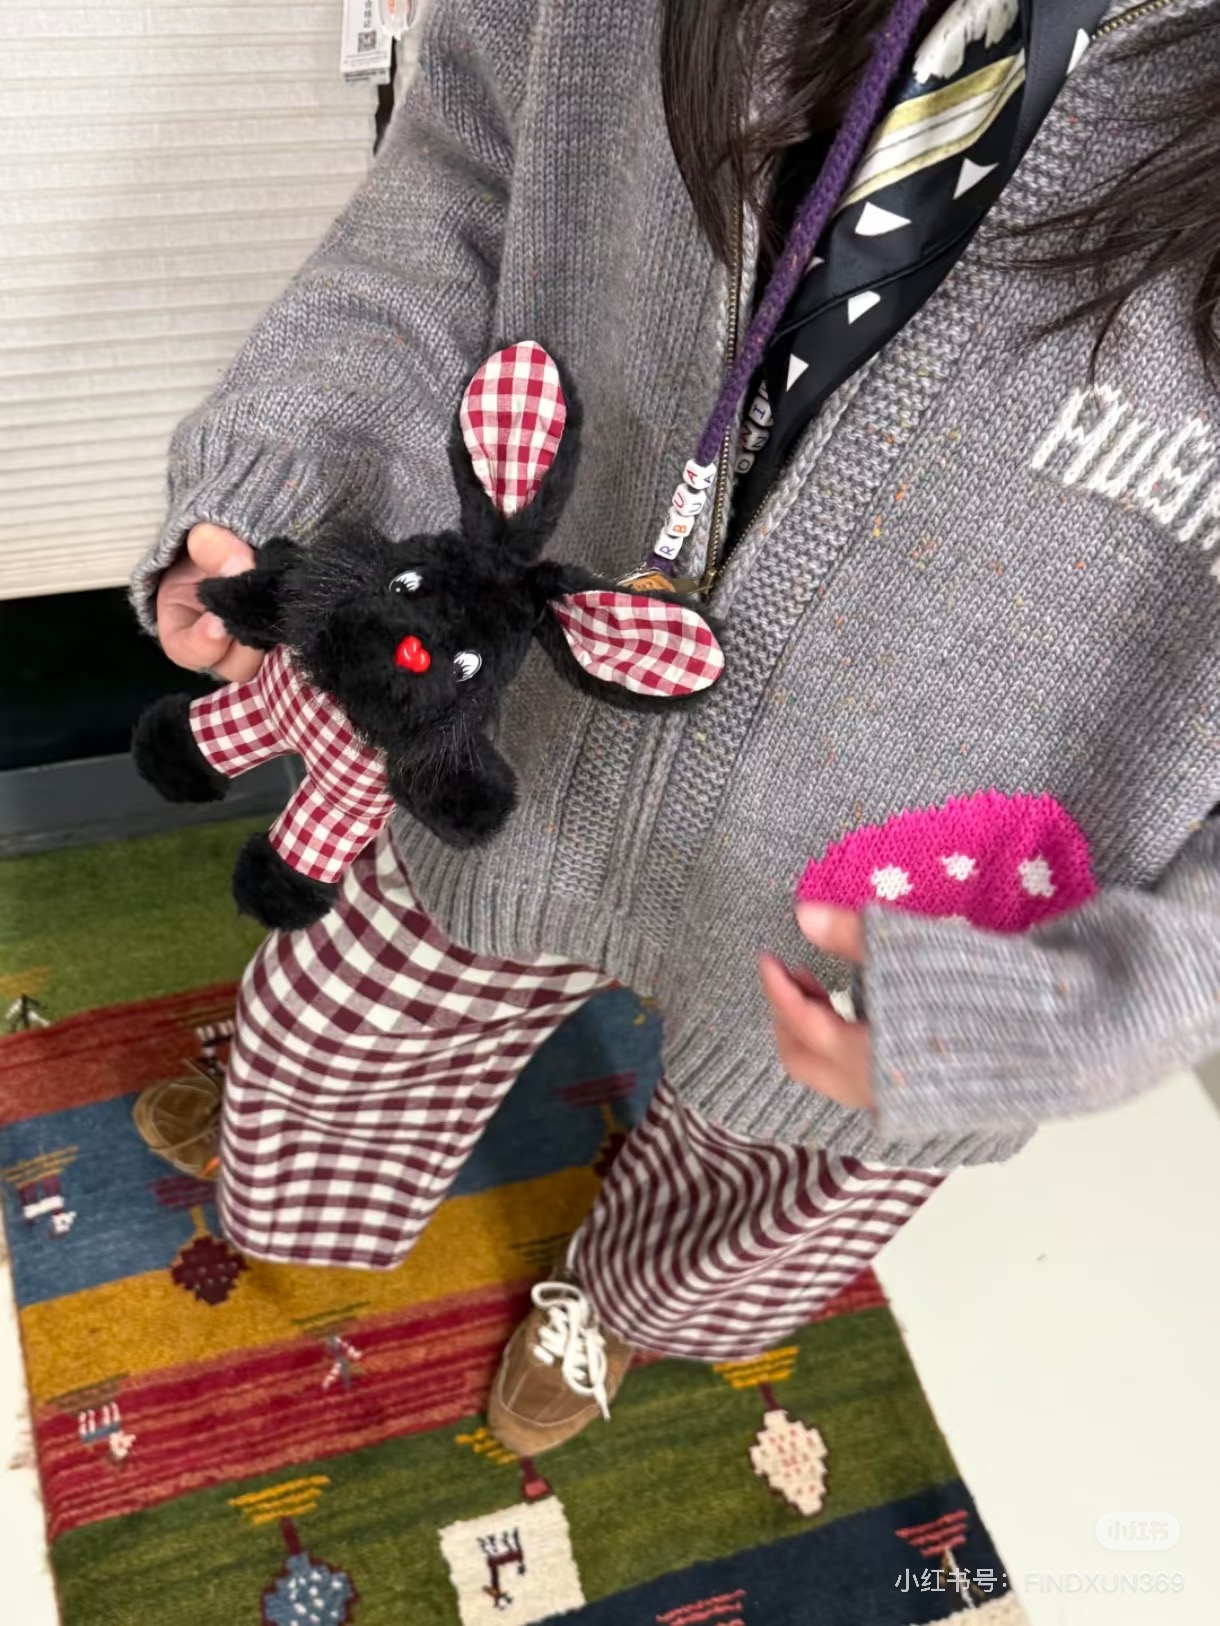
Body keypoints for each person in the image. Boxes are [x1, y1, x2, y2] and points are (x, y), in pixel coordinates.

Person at [133, 0, 1220, 1456]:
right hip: (503, 733)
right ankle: (293, 1173)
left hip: (924, 929)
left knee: (755, 1193)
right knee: (331, 1033)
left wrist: (1123, 1000)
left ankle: (627, 1303)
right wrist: (299, 464)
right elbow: (473, 163)